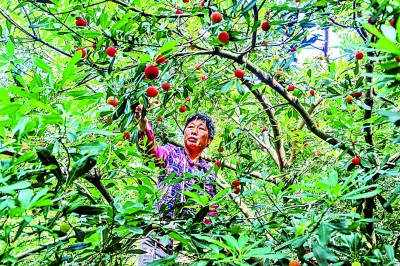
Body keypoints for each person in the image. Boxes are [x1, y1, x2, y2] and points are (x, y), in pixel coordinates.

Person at [135, 107, 218, 265]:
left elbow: (210, 212)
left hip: (188, 245)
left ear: (209, 140)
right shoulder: (171, 153)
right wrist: (144, 125)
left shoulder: (208, 173)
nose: (194, 132)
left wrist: (210, 240)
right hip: (158, 239)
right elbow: (151, 152)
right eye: (190, 128)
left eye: (201, 129)